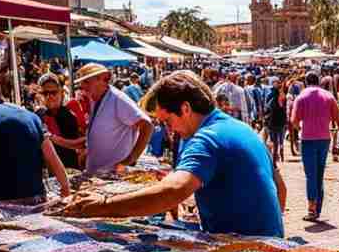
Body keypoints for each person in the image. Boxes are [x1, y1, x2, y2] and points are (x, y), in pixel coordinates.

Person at [60, 72, 285, 236]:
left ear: (185, 109)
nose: (170, 130)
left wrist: (103, 205)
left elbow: (173, 191)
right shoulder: (243, 129)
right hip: (269, 244)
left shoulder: (206, 139)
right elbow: (280, 189)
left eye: (168, 121)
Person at [0, 79, 70, 202]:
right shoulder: (30, 115)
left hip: (1, 197)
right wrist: (65, 187)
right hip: (35, 196)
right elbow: (51, 156)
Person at [78, 63, 152, 174]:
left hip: (113, 175)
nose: (82, 86)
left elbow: (147, 125)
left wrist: (130, 159)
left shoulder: (117, 99)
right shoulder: (96, 99)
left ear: (102, 80)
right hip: (98, 175)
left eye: (86, 82)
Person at [291, 71, 339, 221]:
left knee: (310, 175)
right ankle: (318, 208)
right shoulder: (328, 96)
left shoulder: (301, 97)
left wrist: (301, 129)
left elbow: (294, 121)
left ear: (306, 82)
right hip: (324, 139)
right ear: (319, 81)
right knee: (319, 174)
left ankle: (312, 209)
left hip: (308, 139)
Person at [36, 73, 85, 170]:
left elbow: (80, 144)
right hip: (46, 171)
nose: (49, 96)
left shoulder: (69, 115)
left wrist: (51, 137)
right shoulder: (37, 115)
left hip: (68, 169)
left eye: (53, 92)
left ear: (61, 93)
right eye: (45, 93)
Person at [265, 79, 288, 162]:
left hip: (272, 121)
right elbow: (284, 109)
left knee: (273, 141)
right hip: (279, 121)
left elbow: (266, 108)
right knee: (278, 140)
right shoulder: (282, 96)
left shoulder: (270, 96)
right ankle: (278, 155)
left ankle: (274, 159)